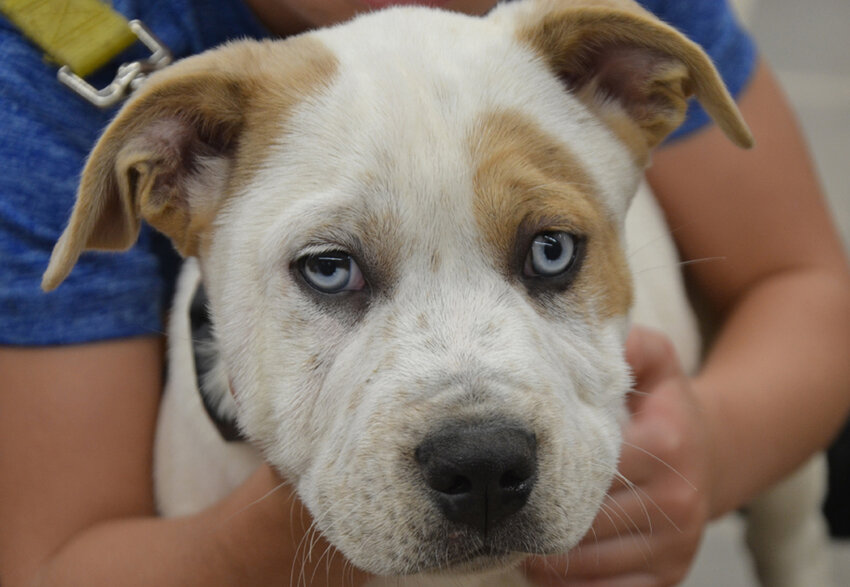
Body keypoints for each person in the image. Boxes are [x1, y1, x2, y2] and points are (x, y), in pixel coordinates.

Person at [1, 0, 848, 585]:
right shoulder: (62, 52)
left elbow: (804, 283)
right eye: (329, 268)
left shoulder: (583, 48)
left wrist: (717, 444)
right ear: (177, 176)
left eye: (550, 252)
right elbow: (48, 563)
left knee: (791, 527)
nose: (476, 439)